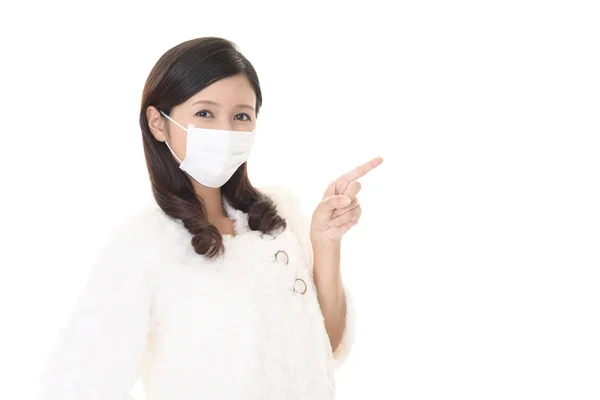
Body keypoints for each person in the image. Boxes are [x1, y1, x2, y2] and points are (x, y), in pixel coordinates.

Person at [38, 36, 383, 400]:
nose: (225, 130)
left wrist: (325, 243)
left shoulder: (279, 215)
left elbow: (323, 348)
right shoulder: (142, 243)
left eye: (241, 116)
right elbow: (81, 380)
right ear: (158, 122)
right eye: (205, 113)